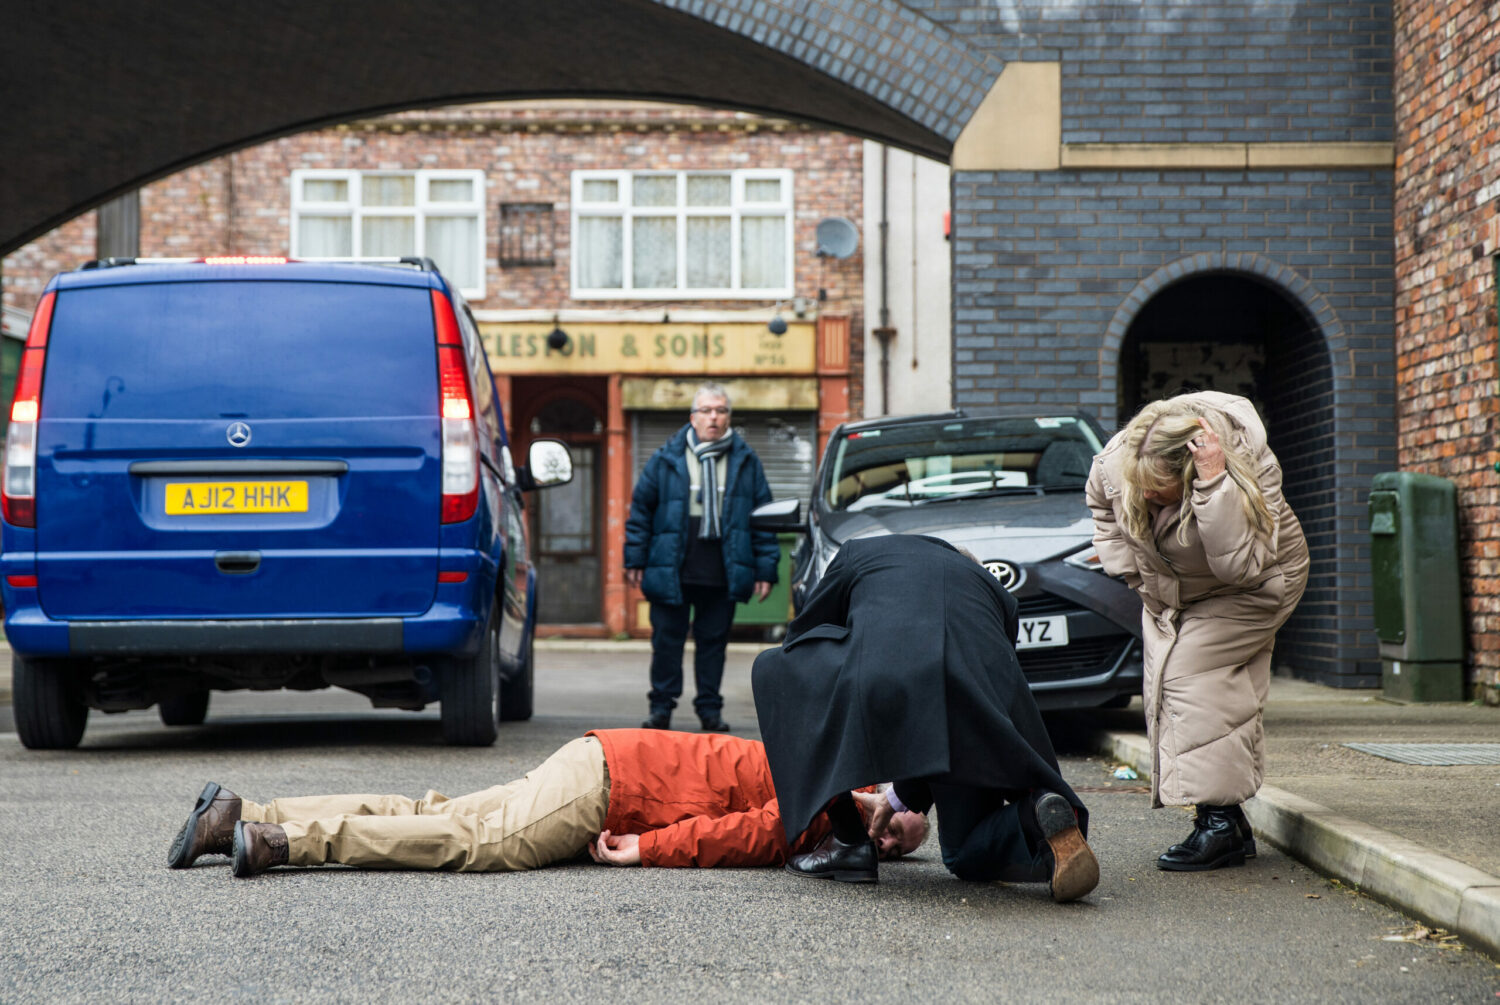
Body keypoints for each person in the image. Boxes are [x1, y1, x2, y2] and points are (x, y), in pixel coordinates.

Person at [752, 534, 1100, 901]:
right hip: (980, 715)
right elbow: (954, 699)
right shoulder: (999, 597)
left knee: (777, 668)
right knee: (961, 850)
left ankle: (847, 842)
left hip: (894, 684)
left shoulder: (859, 553)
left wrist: (852, 769)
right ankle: (1034, 815)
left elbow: (803, 639)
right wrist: (899, 797)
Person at [166, 728, 929, 878]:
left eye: (896, 850)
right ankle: (284, 842)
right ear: (883, 798)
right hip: (609, 788)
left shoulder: (818, 759)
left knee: (439, 809)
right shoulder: (829, 800)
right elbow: (752, 833)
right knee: (474, 845)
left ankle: (241, 809)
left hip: (602, 759)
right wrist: (646, 847)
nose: (884, 844)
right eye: (898, 829)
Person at [1086, 390, 1308, 872]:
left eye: (1158, 489)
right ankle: (1230, 822)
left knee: (1189, 680)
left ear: (1189, 470)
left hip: (1257, 584)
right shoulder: (1117, 461)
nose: (1144, 496)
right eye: (1138, 485)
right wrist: (1132, 571)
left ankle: (1219, 825)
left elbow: (1243, 567)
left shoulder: (1248, 464)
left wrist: (1213, 488)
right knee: (1196, 689)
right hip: (1171, 591)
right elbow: (1102, 507)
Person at [625, 382, 779, 732]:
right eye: (707, 411)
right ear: (692, 417)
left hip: (722, 569)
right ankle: (661, 708)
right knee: (666, 643)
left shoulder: (746, 461)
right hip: (672, 568)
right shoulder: (666, 458)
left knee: (713, 646)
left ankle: (710, 711)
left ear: (728, 418)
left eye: (721, 411)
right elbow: (640, 512)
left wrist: (765, 568)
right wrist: (634, 560)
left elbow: (764, 517)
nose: (714, 417)